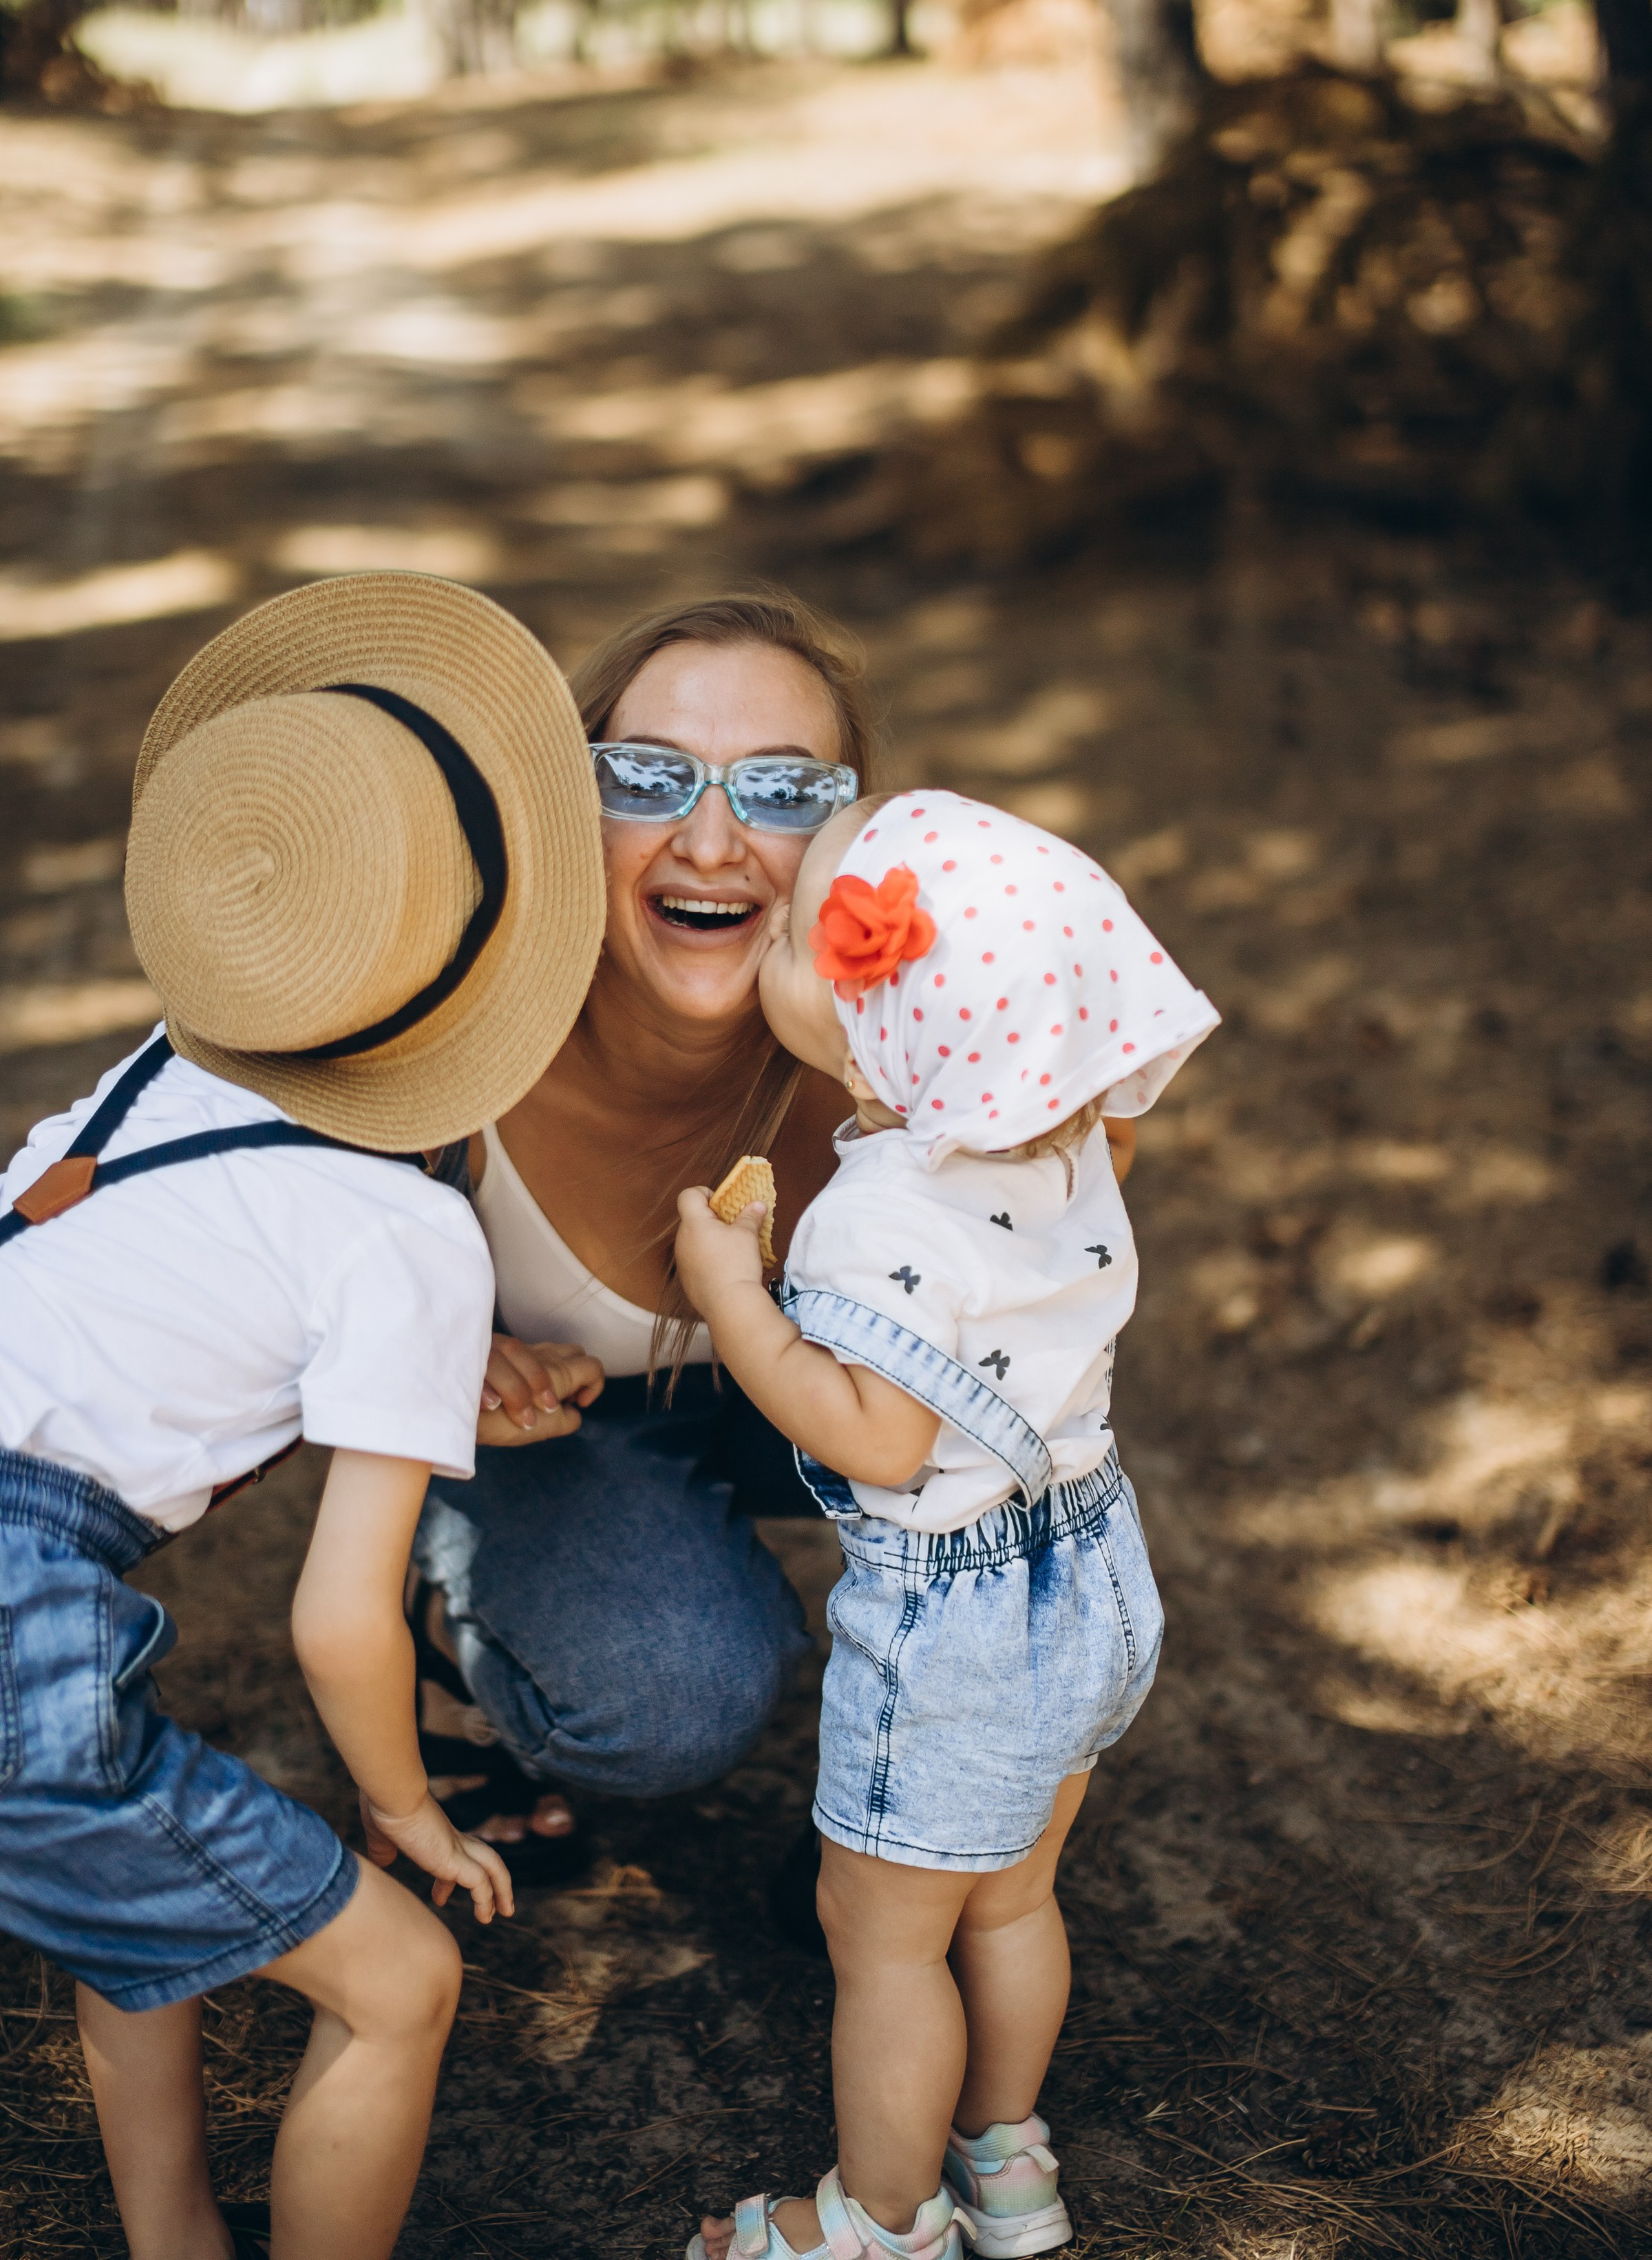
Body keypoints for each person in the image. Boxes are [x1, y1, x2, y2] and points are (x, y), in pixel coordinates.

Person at [0, 571, 606, 2260]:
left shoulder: (151, 1078)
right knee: (399, 1982)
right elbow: (341, 1622)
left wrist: (435, 1364)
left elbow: (155, 1307)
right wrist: (405, 1808)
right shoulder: (404, 1229)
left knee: (145, 1911)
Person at [674, 788, 1220, 2260]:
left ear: (871, 1043)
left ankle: (878, 2219)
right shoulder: (1074, 1142)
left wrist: (732, 1295)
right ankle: (1009, 2167)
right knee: (1015, 1902)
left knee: (884, 1942)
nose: (772, 930)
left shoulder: (876, 1218)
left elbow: (877, 1437)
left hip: (957, 1626)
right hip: (1093, 1572)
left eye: (794, 934)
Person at [409, 591, 882, 1878]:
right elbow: (255, 1256)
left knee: (1021, 1481)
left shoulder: (903, 1040)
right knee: (668, 1696)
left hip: (807, 1403)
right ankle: (444, 1624)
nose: (712, 843)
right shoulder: (453, 1024)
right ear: (574, 807)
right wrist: (438, 1354)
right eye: (647, 778)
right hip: (552, 1434)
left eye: (781, 791)